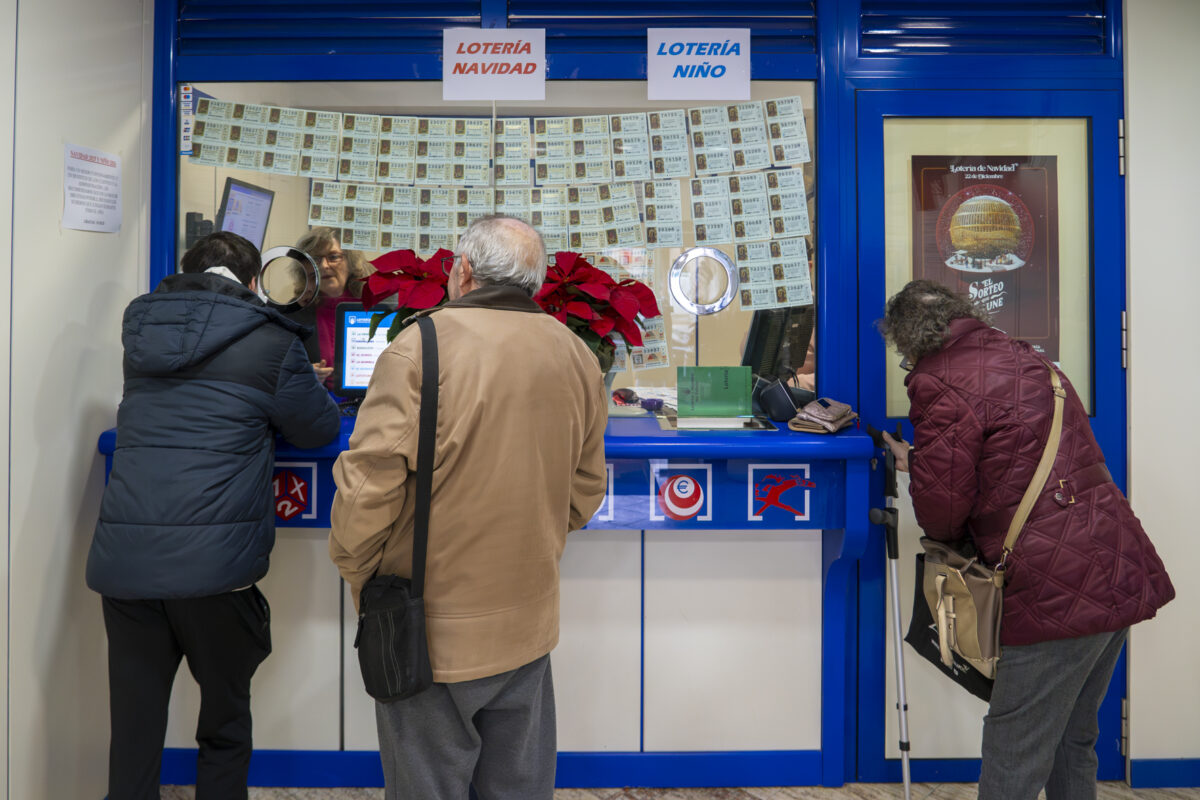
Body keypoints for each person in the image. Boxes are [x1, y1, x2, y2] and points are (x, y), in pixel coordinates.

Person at [329, 215, 608, 799]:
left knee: (427, 785)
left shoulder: (419, 347)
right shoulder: (576, 355)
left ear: (462, 272)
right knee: (517, 786)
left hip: (430, 628)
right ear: (534, 283)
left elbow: (368, 487)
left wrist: (358, 570)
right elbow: (585, 490)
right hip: (529, 622)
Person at [878, 280, 1174, 800]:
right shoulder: (1027, 359)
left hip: (1052, 585)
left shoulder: (939, 379)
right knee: (1071, 739)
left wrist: (912, 463)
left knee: (1015, 747)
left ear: (907, 339)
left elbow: (943, 511)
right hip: (1115, 561)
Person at [86, 232, 341, 800]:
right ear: (254, 283)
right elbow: (319, 429)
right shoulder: (269, 339)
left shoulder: (142, 331)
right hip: (216, 571)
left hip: (125, 563)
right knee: (224, 724)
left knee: (134, 727)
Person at [289, 226, 374, 383]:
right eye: (316, 259)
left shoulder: (375, 304)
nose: (324, 266)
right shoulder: (294, 312)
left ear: (351, 262)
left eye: (333, 257)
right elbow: (279, 370)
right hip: (317, 402)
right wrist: (305, 374)